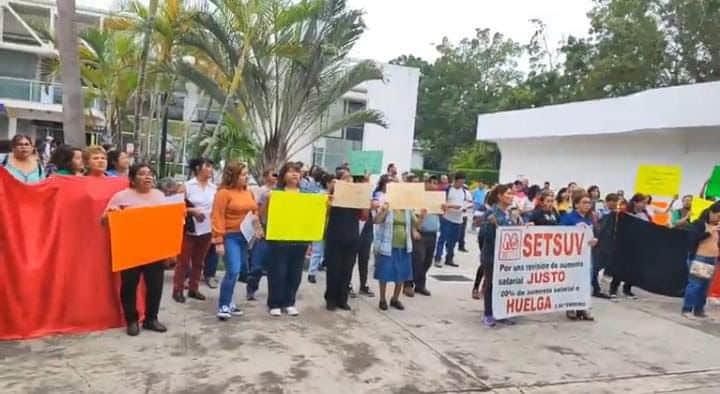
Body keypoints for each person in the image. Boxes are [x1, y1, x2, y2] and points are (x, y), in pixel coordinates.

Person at [102, 163, 168, 336]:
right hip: (129, 248)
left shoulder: (160, 196)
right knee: (129, 285)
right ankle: (132, 320)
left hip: (154, 247)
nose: (147, 177)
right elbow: (103, 220)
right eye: (142, 174)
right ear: (132, 179)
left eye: (150, 174)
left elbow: (167, 222)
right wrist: (111, 213)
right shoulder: (121, 196)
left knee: (155, 285)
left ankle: (151, 319)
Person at [211, 162, 263, 320]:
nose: (246, 177)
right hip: (230, 236)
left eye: (247, 173)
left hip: (245, 236)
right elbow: (217, 216)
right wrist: (218, 240)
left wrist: (257, 228)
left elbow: (254, 211)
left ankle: (230, 302)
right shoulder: (224, 193)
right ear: (233, 176)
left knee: (239, 270)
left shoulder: (249, 192)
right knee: (233, 270)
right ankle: (224, 305)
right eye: (242, 174)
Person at [261, 162, 310, 317]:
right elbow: (263, 214)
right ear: (283, 175)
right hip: (279, 239)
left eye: (297, 171)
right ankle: (274, 303)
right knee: (277, 271)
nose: (295, 174)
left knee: (295, 273)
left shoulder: (306, 194)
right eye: (290, 171)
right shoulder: (275, 193)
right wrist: (268, 201)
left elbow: (311, 217)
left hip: (299, 239)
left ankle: (289, 302)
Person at [172, 158, 217, 303]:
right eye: (208, 166)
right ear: (198, 168)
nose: (210, 169)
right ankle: (177, 290)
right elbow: (175, 206)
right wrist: (192, 211)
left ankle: (194, 288)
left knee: (199, 261)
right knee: (183, 261)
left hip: (207, 228)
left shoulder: (213, 188)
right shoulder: (187, 186)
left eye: (212, 166)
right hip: (189, 229)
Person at [324, 168, 362, 311]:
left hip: (352, 236)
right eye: (345, 178)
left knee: (347, 269)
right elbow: (325, 213)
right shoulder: (333, 195)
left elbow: (363, 214)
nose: (349, 180)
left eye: (350, 177)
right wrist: (330, 194)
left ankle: (342, 299)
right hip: (335, 235)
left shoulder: (356, 196)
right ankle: (331, 299)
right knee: (333, 268)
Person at [373, 195, 419, 311]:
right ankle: (382, 299)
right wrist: (384, 210)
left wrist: (422, 216)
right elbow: (376, 221)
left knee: (401, 273)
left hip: (404, 247)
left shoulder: (408, 210)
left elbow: (417, 224)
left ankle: (395, 298)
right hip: (388, 246)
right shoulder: (388, 207)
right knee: (384, 273)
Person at [480, 184, 516, 327]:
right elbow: (485, 236)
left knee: (503, 285)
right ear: (499, 196)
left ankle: (500, 312)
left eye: (512, 194)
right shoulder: (492, 214)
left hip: (506, 256)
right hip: (491, 255)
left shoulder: (509, 214)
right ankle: (488, 314)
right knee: (491, 284)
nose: (511, 196)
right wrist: (493, 227)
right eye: (508, 194)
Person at [559, 190, 599, 321]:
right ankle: (570, 307)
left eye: (589, 202)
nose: (588, 205)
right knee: (572, 280)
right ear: (576, 204)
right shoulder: (568, 218)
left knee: (586, 282)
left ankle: (583, 307)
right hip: (573, 257)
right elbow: (560, 236)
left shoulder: (589, 218)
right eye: (584, 202)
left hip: (586, 255)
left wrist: (593, 241)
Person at [681, 202, 720, 318]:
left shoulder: (717, 226)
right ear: (711, 212)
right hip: (700, 258)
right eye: (718, 216)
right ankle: (687, 309)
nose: (719, 219)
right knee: (695, 285)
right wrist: (710, 232)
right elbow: (693, 239)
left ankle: (699, 309)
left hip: (712, 259)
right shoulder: (699, 224)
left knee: (705, 286)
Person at [246, 169, 278, 300]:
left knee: (275, 265)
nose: (276, 177)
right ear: (265, 177)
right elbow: (256, 212)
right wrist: (258, 228)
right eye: (273, 174)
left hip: (277, 230)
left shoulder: (282, 192)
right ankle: (251, 289)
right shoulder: (259, 191)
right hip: (263, 229)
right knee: (257, 264)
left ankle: (275, 294)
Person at [405, 178, 439, 297]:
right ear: (426, 184)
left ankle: (420, 285)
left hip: (432, 233)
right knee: (417, 259)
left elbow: (439, 214)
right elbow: (411, 216)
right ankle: (408, 284)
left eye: (436, 183)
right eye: (433, 183)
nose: (435, 186)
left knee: (427, 261)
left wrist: (443, 209)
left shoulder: (437, 198)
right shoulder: (418, 197)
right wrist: (414, 229)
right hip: (420, 233)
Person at [434, 172, 467, 267]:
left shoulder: (464, 191)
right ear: (455, 181)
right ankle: (438, 258)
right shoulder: (448, 190)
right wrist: (452, 206)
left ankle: (449, 258)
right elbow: (441, 203)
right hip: (447, 218)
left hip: (458, 219)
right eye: (459, 182)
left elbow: (467, 202)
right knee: (442, 239)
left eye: (462, 183)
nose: (461, 185)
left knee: (453, 241)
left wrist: (465, 207)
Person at [354, 174, 377, 297]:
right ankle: (348, 285)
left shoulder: (371, 196)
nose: (368, 184)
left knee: (364, 259)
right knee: (351, 260)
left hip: (367, 230)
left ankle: (363, 285)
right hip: (354, 230)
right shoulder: (353, 195)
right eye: (365, 181)